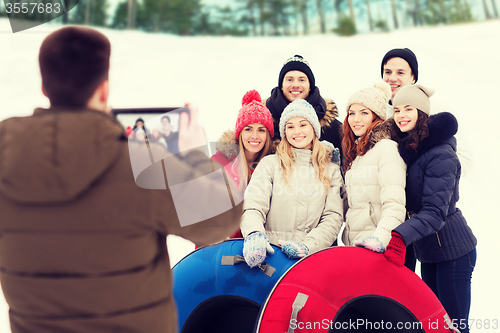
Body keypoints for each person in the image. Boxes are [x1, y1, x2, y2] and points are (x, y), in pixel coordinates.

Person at [0, 26, 242, 333]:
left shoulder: (6, 157)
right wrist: (190, 154)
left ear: (46, 87)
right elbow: (220, 218)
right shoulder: (141, 162)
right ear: (103, 88)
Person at [384, 84, 477, 333]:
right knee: (434, 324)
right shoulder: (410, 147)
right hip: (431, 251)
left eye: (408, 109)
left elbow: (435, 212)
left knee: (454, 327)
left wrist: (401, 234)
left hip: (454, 253)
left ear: (422, 112)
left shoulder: (441, 154)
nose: (401, 115)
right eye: (397, 110)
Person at [240, 98, 344, 268]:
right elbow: (253, 206)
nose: (297, 131)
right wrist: (254, 233)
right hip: (270, 259)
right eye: (290, 126)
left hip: (310, 260)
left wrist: (307, 246)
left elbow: (333, 218)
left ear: (314, 129)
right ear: (284, 131)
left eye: (303, 124)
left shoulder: (330, 170)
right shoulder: (270, 164)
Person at [341, 82, 406, 251]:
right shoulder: (356, 155)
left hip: (375, 247)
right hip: (355, 245)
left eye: (364, 112)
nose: (356, 119)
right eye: (351, 113)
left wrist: (379, 240)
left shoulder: (386, 148)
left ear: (376, 116)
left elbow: (395, 204)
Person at [210, 90, 274, 240]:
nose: (254, 136)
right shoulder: (219, 162)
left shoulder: (273, 166)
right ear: (239, 133)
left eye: (261, 130)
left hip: (259, 245)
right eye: (248, 129)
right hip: (221, 245)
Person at [264, 55, 343, 165]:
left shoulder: (331, 125)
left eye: (301, 80)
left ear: (309, 86)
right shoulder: (264, 120)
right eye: (289, 79)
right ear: (281, 85)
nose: (295, 85)